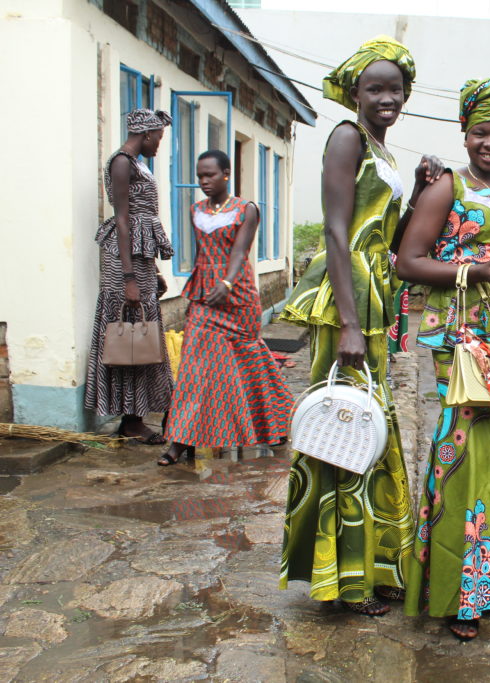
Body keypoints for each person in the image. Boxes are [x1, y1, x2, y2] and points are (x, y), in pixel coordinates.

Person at [278, 36, 443, 616]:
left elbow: (393, 246)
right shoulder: (347, 137)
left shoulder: (386, 154)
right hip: (347, 299)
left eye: (395, 89)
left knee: (368, 426)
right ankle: (345, 580)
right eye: (375, 88)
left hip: (375, 294)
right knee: (342, 426)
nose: (386, 98)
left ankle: (372, 565)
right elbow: (336, 231)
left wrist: (421, 189)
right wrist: (349, 323)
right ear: (354, 92)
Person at [397, 78, 490, 641]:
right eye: (482, 132)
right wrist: (472, 271)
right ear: (464, 132)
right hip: (457, 339)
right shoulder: (447, 186)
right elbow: (407, 262)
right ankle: (458, 594)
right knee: (460, 454)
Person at [158, 150, 291, 465]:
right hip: (204, 296)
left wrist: (228, 282)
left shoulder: (246, 209)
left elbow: (240, 250)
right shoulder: (196, 210)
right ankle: (179, 441)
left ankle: (275, 422)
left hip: (237, 295)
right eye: (200, 175)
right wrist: (210, 284)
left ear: (226, 174)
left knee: (249, 361)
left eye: (210, 175)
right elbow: (205, 252)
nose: (204, 181)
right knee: (194, 366)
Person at [86, 109, 174, 444]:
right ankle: (131, 420)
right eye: (159, 139)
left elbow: (141, 227)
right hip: (124, 264)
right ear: (148, 134)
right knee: (130, 336)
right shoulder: (121, 162)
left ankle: (134, 416)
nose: (158, 145)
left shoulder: (138, 164)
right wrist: (129, 279)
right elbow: (123, 220)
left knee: (142, 338)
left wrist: (152, 270)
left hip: (138, 262)